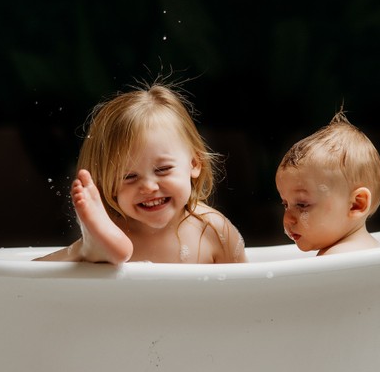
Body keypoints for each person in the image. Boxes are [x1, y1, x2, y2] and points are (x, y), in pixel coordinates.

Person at [38, 82, 246, 264]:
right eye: (129, 176)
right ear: (105, 183)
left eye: (163, 170)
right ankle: (84, 250)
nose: (148, 186)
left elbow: (243, 293)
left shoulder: (214, 230)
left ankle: (83, 250)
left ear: (194, 164)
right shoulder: (110, 231)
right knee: (70, 260)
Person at [275, 110, 380, 255]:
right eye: (285, 204)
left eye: (302, 205)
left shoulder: (336, 257)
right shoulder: (370, 247)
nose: (287, 219)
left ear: (356, 204)